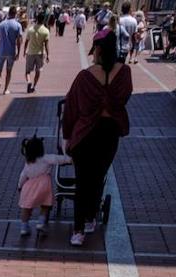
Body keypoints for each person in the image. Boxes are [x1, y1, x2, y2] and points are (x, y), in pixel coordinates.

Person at [62, 29, 131, 246]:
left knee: (82, 181)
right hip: (109, 132)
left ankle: (78, 230)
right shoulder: (124, 72)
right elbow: (123, 97)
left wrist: (66, 136)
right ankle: (91, 217)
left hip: (85, 133)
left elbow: (71, 108)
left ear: (98, 50)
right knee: (98, 176)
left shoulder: (85, 76)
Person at [16, 135, 70, 236]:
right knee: (45, 205)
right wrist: (69, 159)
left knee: (26, 207)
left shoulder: (28, 163)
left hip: (29, 187)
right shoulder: (46, 158)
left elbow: (22, 176)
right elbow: (58, 159)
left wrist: (19, 186)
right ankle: (41, 222)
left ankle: (24, 227)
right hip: (44, 185)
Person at [0, 6, 23, 96]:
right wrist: (18, 52)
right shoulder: (18, 25)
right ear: (15, 14)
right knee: (8, 71)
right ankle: (6, 89)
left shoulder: (1, 24)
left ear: (8, 13)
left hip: (1, 51)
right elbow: (19, 40)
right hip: (11, 51)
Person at [23, 12, 50, 94]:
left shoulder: (31, 29)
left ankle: (28, 82)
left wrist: (24, 51)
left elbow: (26, 41)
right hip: (40, 54)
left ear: (37, 19)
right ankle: (34, 86)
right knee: (38, 71)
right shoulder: (46, 31)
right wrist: (48, 55)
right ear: (43, 20)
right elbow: (46, 45)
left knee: (27, 71)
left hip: (30, 52)